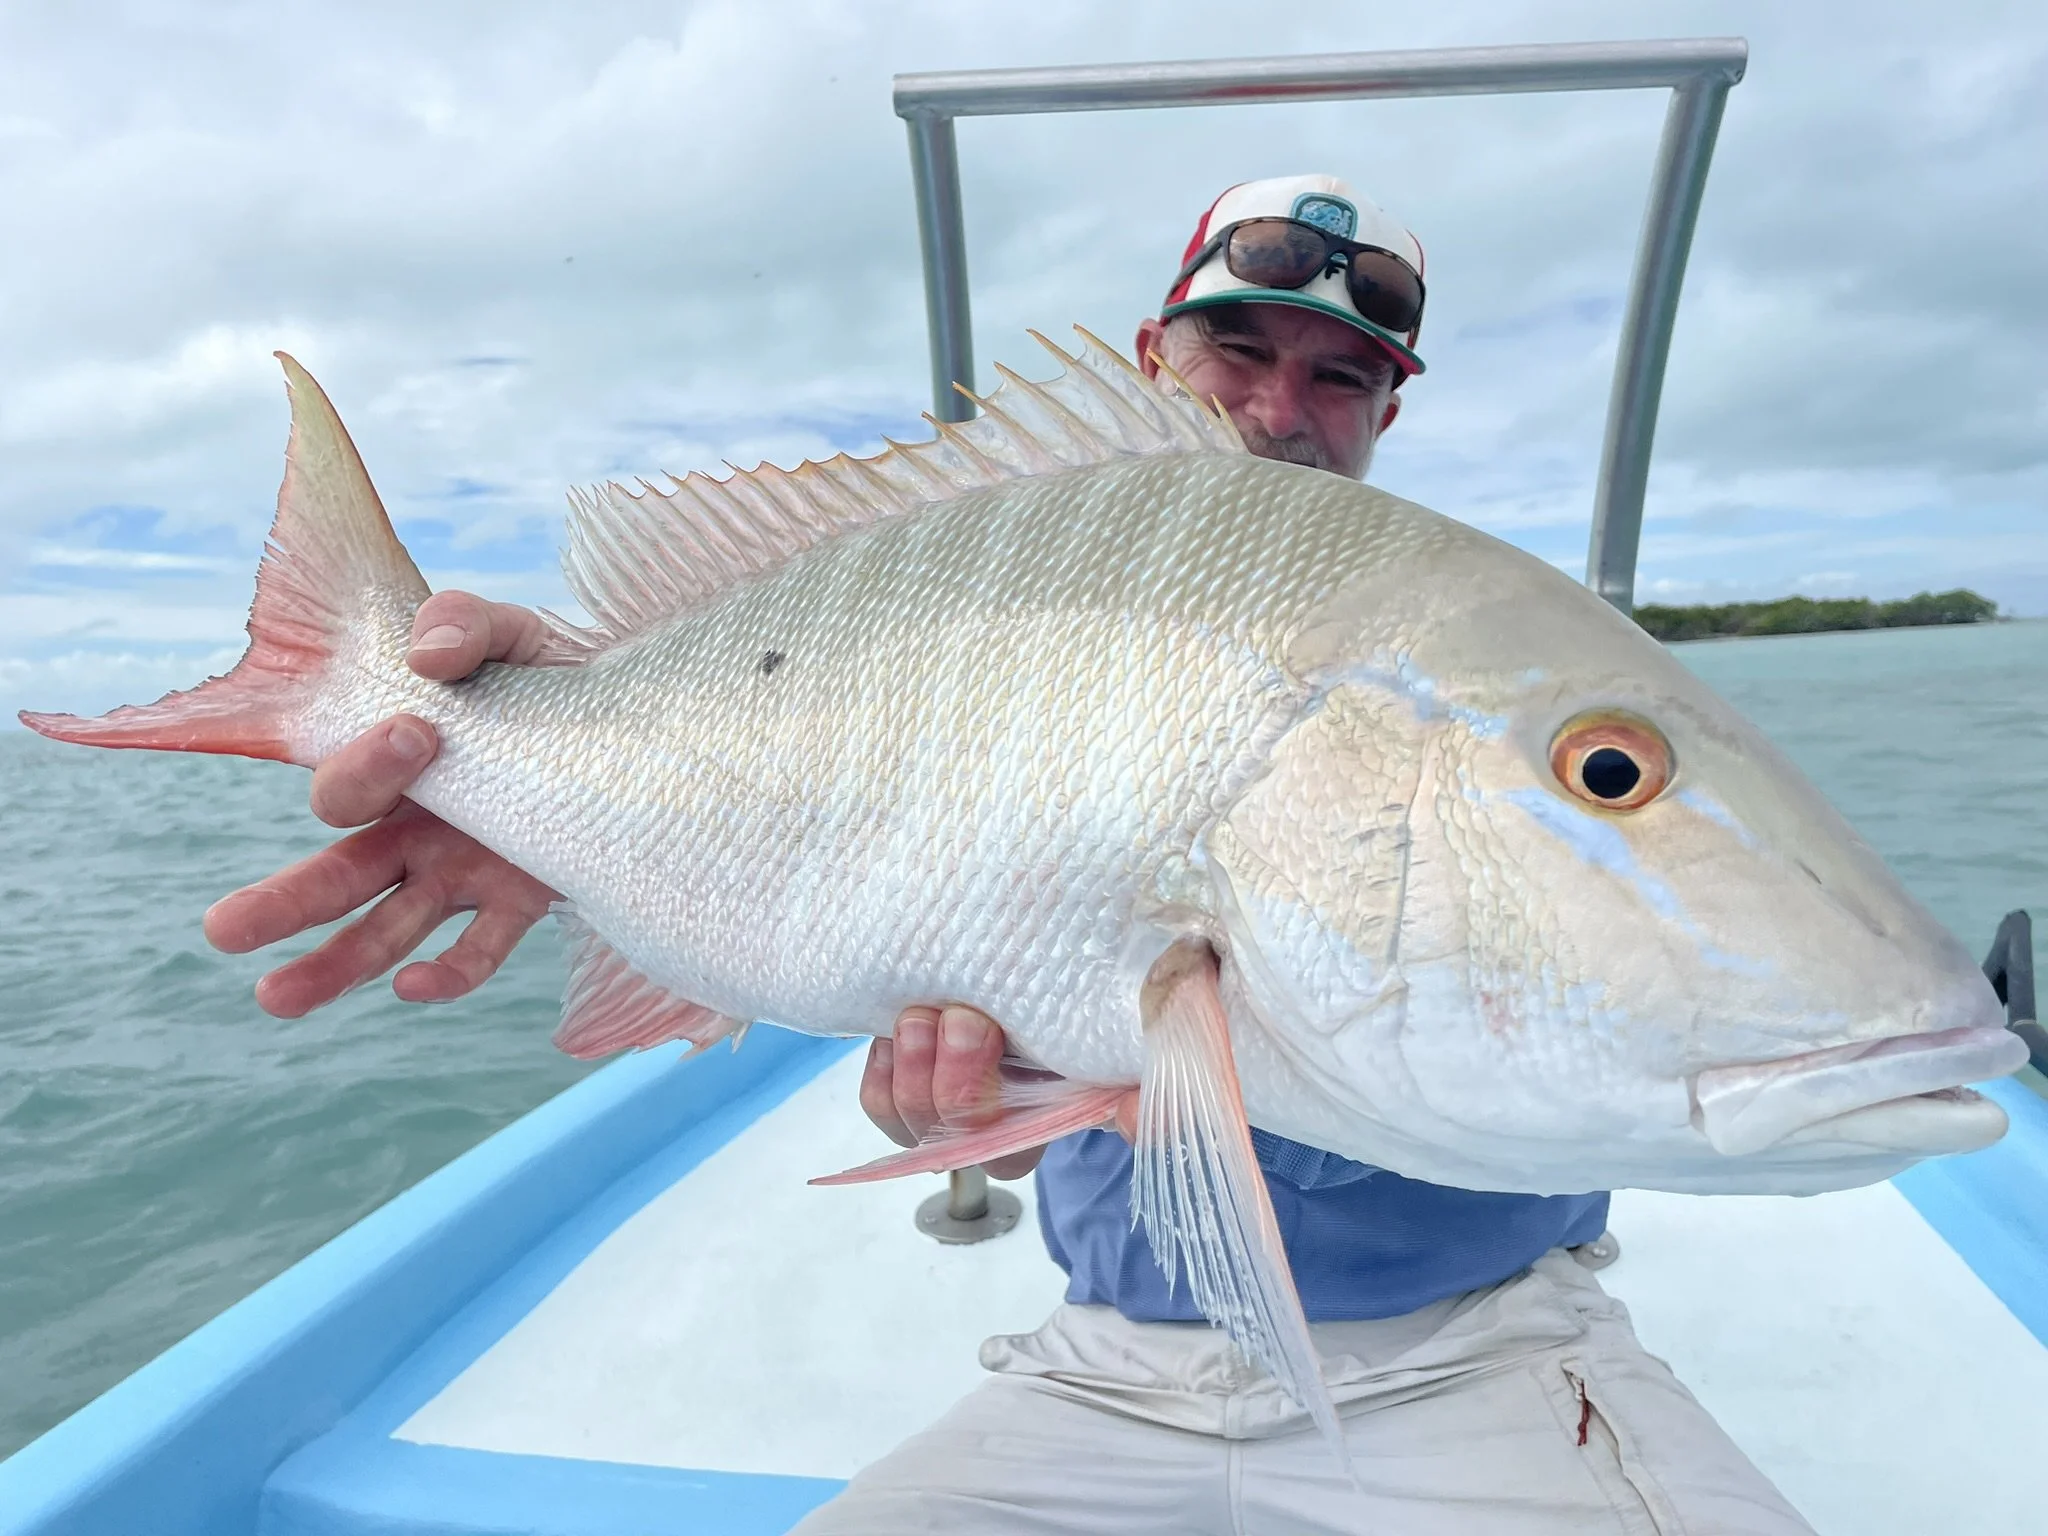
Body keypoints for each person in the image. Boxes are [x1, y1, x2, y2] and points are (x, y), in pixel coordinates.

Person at [207, 175, 1816, 1534]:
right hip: (1100, 1363)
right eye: (1236, 352)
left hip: (1484, 1356)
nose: (1279, 409)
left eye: (1340, 378)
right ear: (1153, 356)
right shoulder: (1027, 601)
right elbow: (1018, 1038)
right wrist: (557, 772)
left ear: (1392, 406)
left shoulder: (1471, 656)